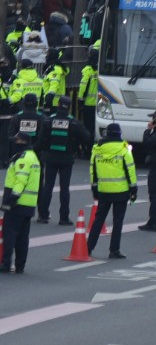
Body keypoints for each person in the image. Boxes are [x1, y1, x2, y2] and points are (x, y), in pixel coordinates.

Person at [38, 96, 91, 226]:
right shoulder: (74, 122)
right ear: (69, 107)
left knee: (48, 187)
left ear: (58, 104)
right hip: (66, 158)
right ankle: (63, 218)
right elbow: (87, 137)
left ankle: (43, 215)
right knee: (64, 188)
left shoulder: (48, 120)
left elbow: (40, 140)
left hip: (50, 156)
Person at [88, 123, 137, 259]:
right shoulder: (123, 149)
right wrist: (133, 189)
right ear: (119, 134)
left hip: (103, 190)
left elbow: (93, 170)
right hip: (121, 191)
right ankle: (114, 250)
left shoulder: (97, 149)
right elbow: (130, 170)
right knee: (118, 221)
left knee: (99, 219)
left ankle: (88, 247)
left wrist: (94, 187)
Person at [1, 131, 41, 273]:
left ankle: (6, 264)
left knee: (9, 234)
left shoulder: (22, 158)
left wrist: (11, 199)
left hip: (18, 203)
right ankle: (20, 265)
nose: (13, 143)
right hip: (29, 203)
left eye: (16, 140)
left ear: (21, 143)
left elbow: (21, 181)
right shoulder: (33, 157)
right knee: (23, 237)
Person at [78, 49, 98, 134]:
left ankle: (87, 145)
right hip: (98, 103)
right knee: (94, 127)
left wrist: (80, 100)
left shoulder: (88, 70)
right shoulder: (100, 69)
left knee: (87, 127)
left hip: (88, 103)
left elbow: (83, 86)